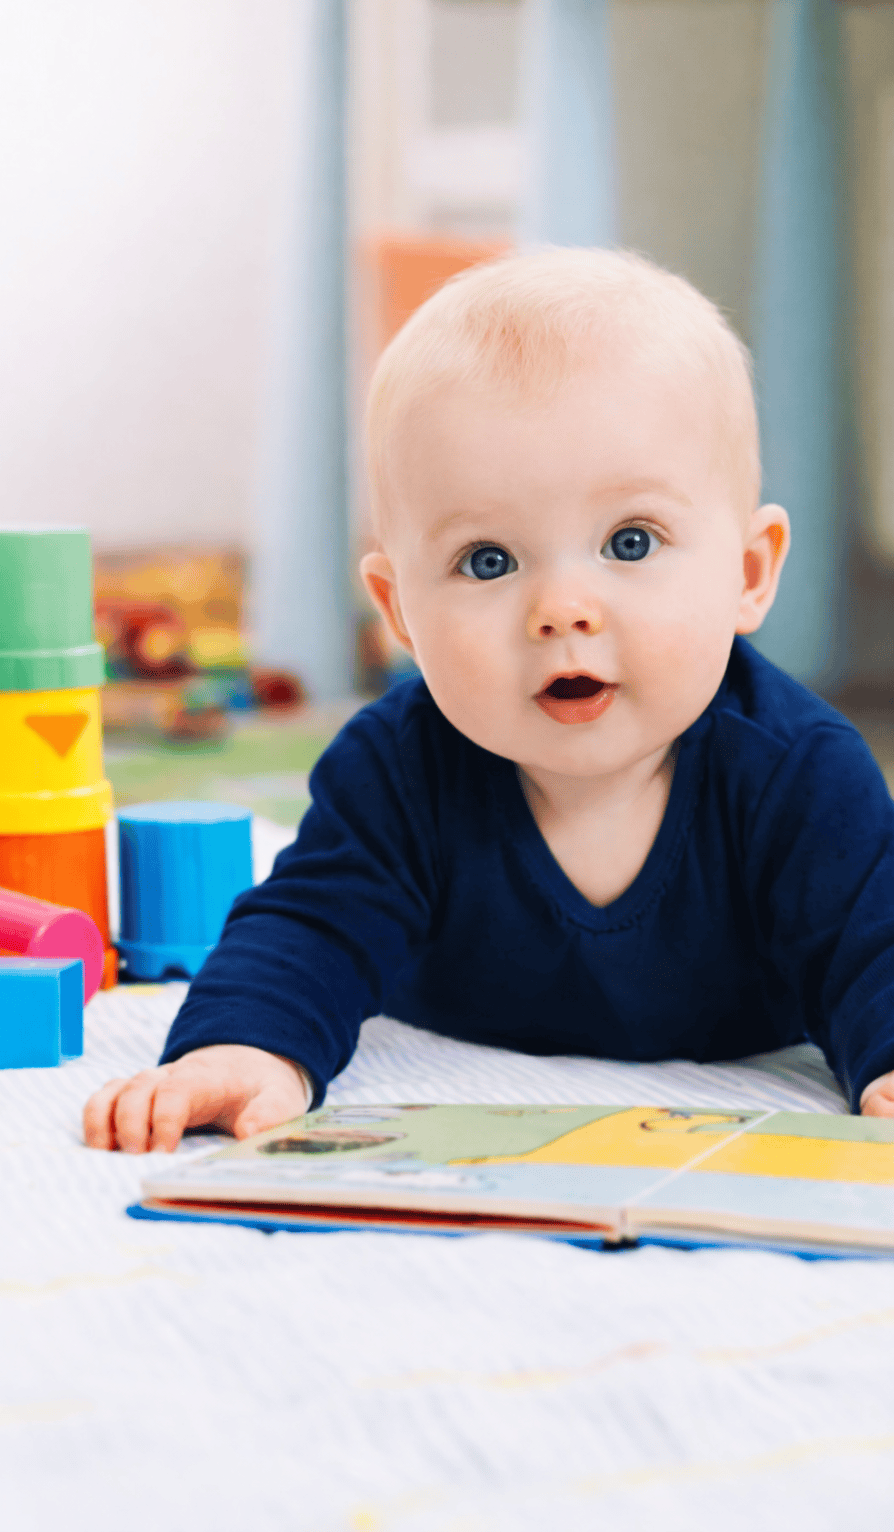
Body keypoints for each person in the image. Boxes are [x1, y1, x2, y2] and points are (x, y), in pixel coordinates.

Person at [83, 245, 894, 1154]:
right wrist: (245, 1048)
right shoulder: (397, 770)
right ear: (400, 610)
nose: (562, 609)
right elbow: (313, 926)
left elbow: (875, 944)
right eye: (489, 561)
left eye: (630, 542)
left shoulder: (800, 774)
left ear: (747, 574)